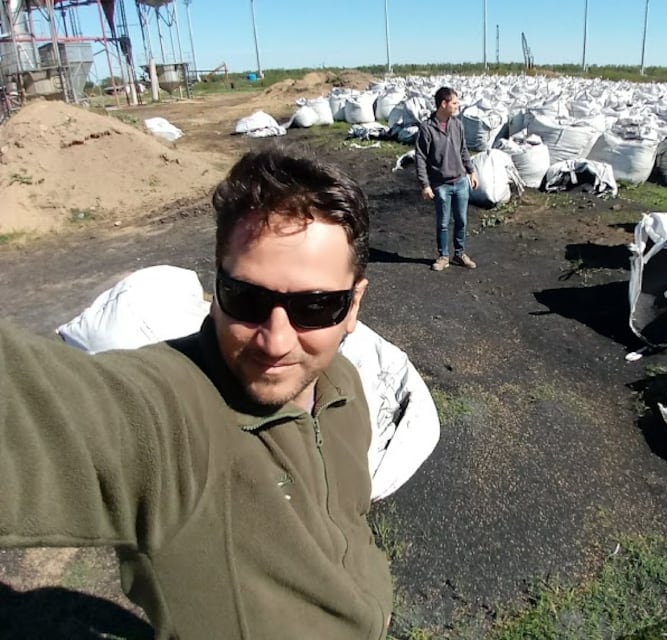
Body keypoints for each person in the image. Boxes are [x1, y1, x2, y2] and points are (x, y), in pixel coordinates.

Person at [0, 145, 393, 639]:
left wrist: (374, 600)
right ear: (217, 284)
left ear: (353, 303)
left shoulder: (342, 386)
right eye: (246, 298)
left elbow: (349, 521)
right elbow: (32, 407)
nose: (276, 341)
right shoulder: (173, 414)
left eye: (315, 306)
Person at [415, 86, 480, 271]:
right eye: (454, 103)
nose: (457, 106)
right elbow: (420, 158)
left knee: (461, 220)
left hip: (460, 181)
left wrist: (471, 171)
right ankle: (443, 256)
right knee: (443, 223)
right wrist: (425, 185)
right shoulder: (427, 129)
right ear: (443, 104)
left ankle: (459, 254)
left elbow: (463, 150)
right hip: (441, 184)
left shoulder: (457, 124)